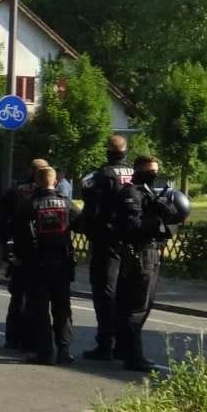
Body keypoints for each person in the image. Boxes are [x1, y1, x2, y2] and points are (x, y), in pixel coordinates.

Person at [113, 155, 190, 371]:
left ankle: (123, 348)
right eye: (150, 170)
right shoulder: (131, 193)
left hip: (150, 252)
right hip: (139, 254)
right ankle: (133, 357)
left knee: (142, 305)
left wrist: (166, 214)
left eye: (156, 170)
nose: (154, 174)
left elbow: (170, 218)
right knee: (136, 307)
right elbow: (132, 226)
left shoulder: (147, 192)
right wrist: (157, 217)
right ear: (138, 170)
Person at [15, 166, 82, 366]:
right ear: (55, 181)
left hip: (37, 262)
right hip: (62, 261)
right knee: (62, 307)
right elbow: (82, 225)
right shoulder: (66, 203)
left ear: (36, 181)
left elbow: (20, 237)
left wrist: (19, 258)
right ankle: (64, 349)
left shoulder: (29, 205)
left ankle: (45, 352)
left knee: (40, 308)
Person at [80, 134, 135, 362]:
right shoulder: (134, 173)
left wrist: (84, 227)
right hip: (132, 240)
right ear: (125, 151)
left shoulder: (102, 175)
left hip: (107, 238)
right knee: (126, 292)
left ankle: (105, 343)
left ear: (108, 151)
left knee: (104, 291)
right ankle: (124, 343)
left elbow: (91, 208)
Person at [0, 159, 49, 352]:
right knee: (38, 297)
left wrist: (6, 243)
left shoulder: (16, 191)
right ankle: (32, 338)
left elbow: (0, 217)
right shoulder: (49, 194)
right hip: (43, 252)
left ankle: (13, 338)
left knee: (18, 295)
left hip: (20, 249)